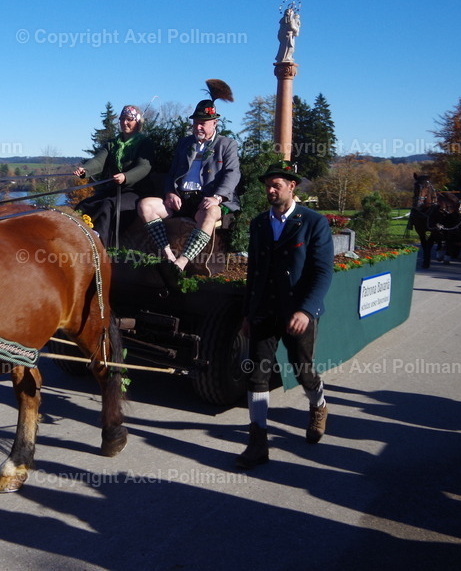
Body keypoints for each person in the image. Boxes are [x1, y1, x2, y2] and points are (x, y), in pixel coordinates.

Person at [237, 161, 333, 470]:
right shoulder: (259, 223)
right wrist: (248, 314)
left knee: (303, 369)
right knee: (257, 373)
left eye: (276, 185)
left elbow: (322, 272)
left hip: (298, 311)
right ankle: (257, 442)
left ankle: (318, 406)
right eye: (268, 185)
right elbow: (253, 272)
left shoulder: (313, 222)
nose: (270, 190)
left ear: (292, 186)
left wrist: (307, 310)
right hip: (264, 310)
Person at [136, 99, 240, 272]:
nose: (198, 127)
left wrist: (217, 198)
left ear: (214, 123)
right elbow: (172, 173)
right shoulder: (185, 143)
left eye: (203, 124)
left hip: (206, 200)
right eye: (196, 123)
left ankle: (182, 263)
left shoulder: (227, 144)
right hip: (180, 199)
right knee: (145, 205)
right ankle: (168, 256)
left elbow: (233, 173)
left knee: (212, 212)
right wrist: (170, 192)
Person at [73, 105, 155, 246]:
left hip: (135, 192)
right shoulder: (112, 144)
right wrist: (85, 170)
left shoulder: (145, 143)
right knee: (83, 205)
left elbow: (144, 167)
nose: (124, 123)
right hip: (113, 190)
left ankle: (102, 247)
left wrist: (126, 176)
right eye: (122, 119)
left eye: (129, 119)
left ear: (138, 122)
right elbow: (98, 161)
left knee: (107, 205)